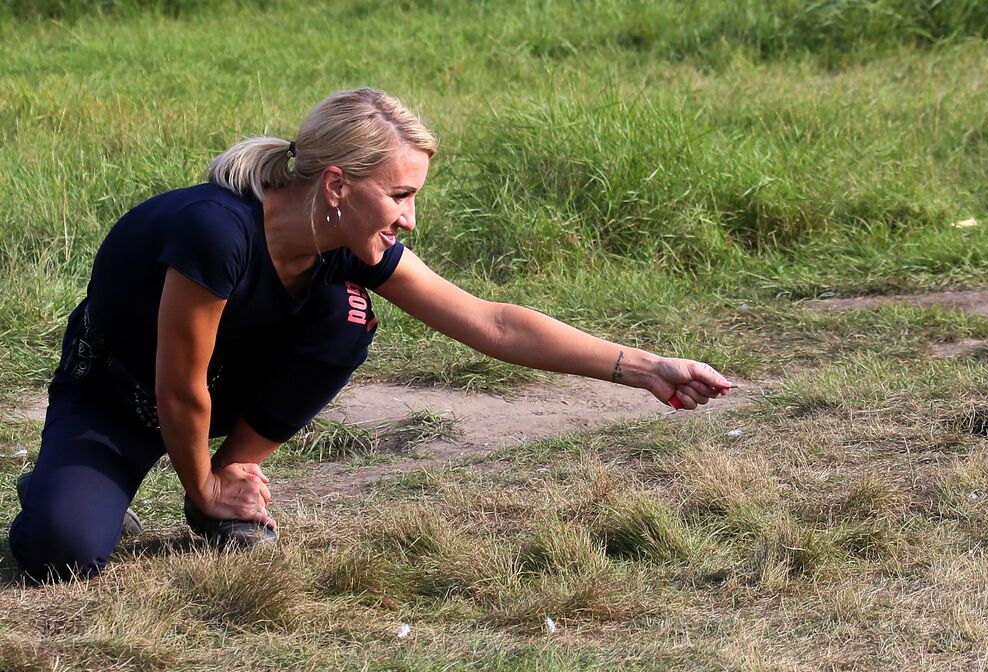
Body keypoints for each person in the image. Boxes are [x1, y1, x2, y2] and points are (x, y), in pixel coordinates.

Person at [8, 88, 731, 582]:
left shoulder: (348, 242)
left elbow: (490, 320)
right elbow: (177, 386)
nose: (409, 218)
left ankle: (236, 472)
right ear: (334, 186)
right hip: (119, 398)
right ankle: (105, 488)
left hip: (216, 396)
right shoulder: (215, 232)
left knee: (345, 314)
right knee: (57, 555)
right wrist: (197, 492)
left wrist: (643, 366)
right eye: (401, 195)